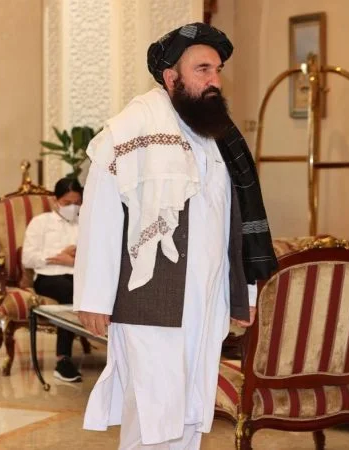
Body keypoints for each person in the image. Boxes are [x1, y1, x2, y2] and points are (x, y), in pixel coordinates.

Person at [73, 23, 278, 449]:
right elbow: (100, 216)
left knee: (190, 410)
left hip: (205, 299)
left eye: (217, 70)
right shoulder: (129, 131)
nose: (215, 80)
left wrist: (244, 292)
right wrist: (93, 297)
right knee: (152, 412)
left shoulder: (220, 139)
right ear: (171, 77)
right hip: (151, 297)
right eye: (203, 69)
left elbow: (237, 219)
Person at [22, 177, 83, 382]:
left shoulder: (85, 223)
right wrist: (59, 256)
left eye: (77, 203)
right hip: (48, 277)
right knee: (71, 293)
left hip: (78, 275)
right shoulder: (41, 223)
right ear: (55, 201)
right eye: (67, 203)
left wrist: (73, 261)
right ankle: (63, 359)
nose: (72, 207)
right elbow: (27, 258)